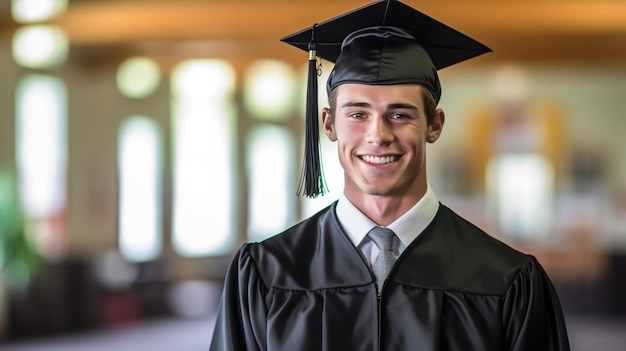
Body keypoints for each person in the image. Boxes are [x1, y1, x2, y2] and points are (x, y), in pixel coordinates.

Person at [209, 0, 570, 350]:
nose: (378, 135)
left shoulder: (505, 279)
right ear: (328, 123)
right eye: (357, 114)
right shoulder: (267, 272)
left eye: (400, 115)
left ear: (434, 125)